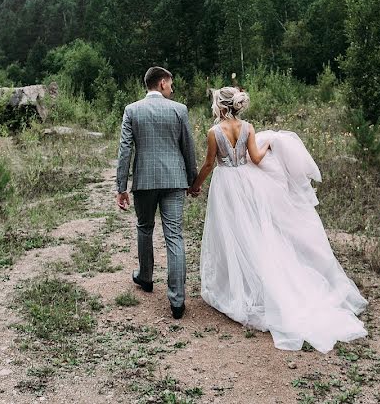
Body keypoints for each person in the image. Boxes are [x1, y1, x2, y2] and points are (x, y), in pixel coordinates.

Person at [189, 86, 367, 352]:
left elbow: (208, 164)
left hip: (226, 185)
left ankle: (236, 287)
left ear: (221, 106)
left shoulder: (214, 132)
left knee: (231, 233)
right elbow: (257, 159)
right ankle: (255, 284)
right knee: (253, 233)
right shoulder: (248, 127)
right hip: (247, 184)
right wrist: (271, 141)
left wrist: (195, 185)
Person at [116, 66, 198, 319]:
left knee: (144, 227)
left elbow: (125, 151)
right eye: (171, 84)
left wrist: (121, 187)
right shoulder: (179, 110)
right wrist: (192, 180)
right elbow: (188, 148)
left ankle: (146, 277)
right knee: (174, 235)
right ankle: (177, 300)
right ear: (162, 83)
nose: (172, 89)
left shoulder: (132, 110)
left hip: (144, 181)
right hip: (174, 179)